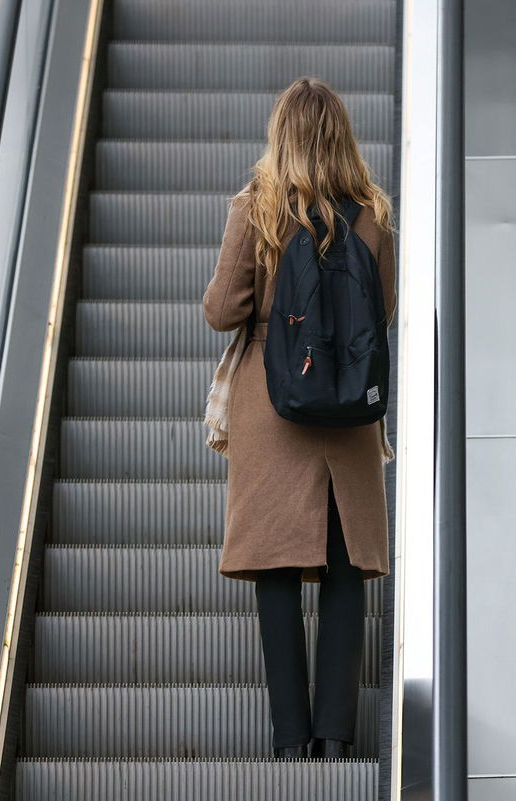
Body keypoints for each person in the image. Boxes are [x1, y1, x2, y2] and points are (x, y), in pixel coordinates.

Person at [201, 76, 397, 760]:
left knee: (276, 572)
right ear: (342, 137)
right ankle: (337, 738)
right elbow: (384, 311)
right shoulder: (372, 213)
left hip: (271, 408)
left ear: (279, 135)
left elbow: (222, 309)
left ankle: (291, 741)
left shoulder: (257, 208)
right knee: (345, 572)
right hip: (347, 414)